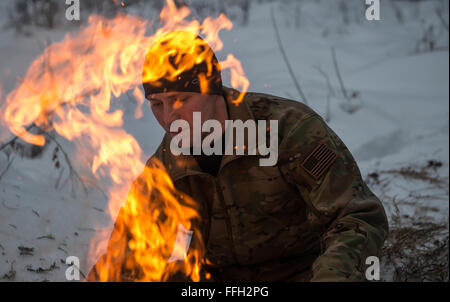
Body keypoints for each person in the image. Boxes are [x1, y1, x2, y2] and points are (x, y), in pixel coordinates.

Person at [87, 31, 389, 282]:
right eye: (157, 104)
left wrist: (332, 276)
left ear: (213, 90)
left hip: (302, 273)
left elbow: (357, 216)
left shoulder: (288, 129)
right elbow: (131, 253)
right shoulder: (168, 162)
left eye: (181, 99)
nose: (168, 117)